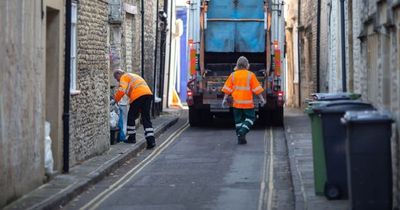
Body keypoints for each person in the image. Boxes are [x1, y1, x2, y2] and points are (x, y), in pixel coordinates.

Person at [221, 56, 266, 144]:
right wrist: (262, 99)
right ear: (247, 65)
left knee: (238, 121)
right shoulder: (250, 75)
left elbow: (227, 89)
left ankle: (240, 138)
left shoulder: (233, 75)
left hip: (236, 103)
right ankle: (242, 132)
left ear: (237, 65)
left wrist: (224, 99)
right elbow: (257, 89)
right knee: (251, 118)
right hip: (247, 104)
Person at [113, 69, 156, 149]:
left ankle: (132, 138)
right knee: (146, 118)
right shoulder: (132, 75)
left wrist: (115, 100)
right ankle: (151, 141)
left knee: (130, 116)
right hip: (148, 94)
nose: (118, 80)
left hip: (138, 95)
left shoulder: (124, 77)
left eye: (116, 78)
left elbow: (121, 90)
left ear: (119, 74)